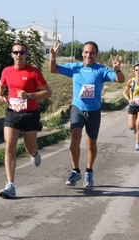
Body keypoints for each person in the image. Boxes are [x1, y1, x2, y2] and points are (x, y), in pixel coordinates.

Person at [48, 41, 125, 187]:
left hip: (94, 111)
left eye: (92, 53)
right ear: (82, 53)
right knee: (75, 139)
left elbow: (120, 80)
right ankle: (75, 171)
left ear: (96, 55)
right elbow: (53, 70)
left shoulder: (101, 70)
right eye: (86, 52)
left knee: (91, 145)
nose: (89, 55)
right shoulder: (75, 68)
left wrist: (117, 70)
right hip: (77, 108)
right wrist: (52, 57)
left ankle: (89, 172)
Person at [0, 42, 52, 198]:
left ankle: (34, 153)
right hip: (12, 113)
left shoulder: (33, 72)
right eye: (15, 52)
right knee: (9, 145)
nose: (18, 55)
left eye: (21, 52)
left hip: (29, 114)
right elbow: (0, 86)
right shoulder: (6, 71)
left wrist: (29, 95)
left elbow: (48, 92)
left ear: (26, 54)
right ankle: (10, 185)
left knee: (29, 147)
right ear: (11, 54)